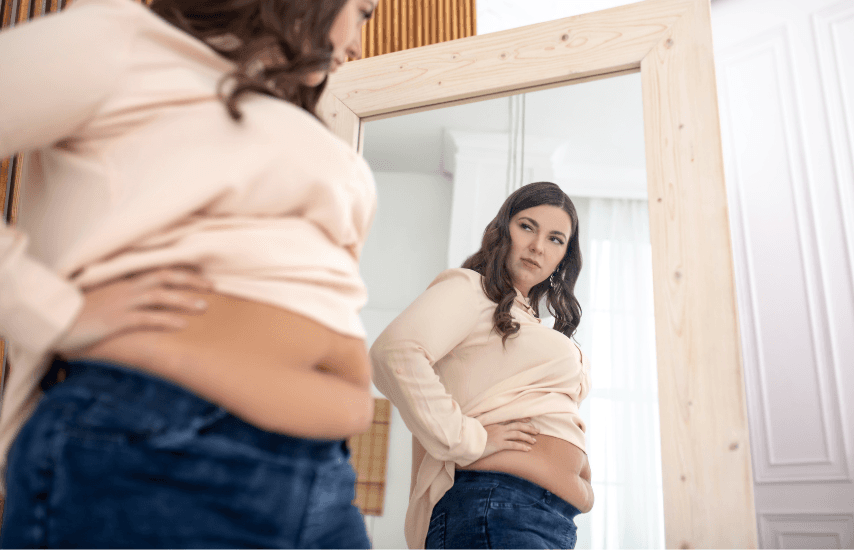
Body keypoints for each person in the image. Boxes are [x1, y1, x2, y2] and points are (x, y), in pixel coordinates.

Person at [0, 0, 380, 546]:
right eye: (363, 12)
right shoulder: (122, 40)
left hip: (322, 472)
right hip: (162, 444)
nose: (358, 46)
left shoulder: (280, 109)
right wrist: (55, 311)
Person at [370, 181, 593, 549]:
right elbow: (394, 352)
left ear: (563, 258)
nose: (538, 246)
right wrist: (467, 438)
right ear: (502, 230)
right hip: (497, 506)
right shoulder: (471, 289)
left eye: (556, 239)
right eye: (527, 226)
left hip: (545, 518)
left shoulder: (529, 320)